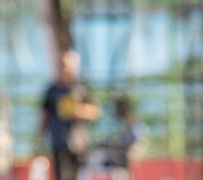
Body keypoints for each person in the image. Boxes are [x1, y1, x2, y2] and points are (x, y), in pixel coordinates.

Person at [39, 52, 97, 180]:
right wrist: (40, 138)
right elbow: (44, 115)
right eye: (62, 66)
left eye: (67, 66)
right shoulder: (52, 90)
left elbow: (95, 111)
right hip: (59, 142)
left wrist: (79, 111)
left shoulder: (81, 88)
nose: (64, 69)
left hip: (79, 143)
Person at [90, 96, 141, 180]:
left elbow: (135, 148)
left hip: (121, 161)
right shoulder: (116, 125)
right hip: (111, 160)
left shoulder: (135, 128)